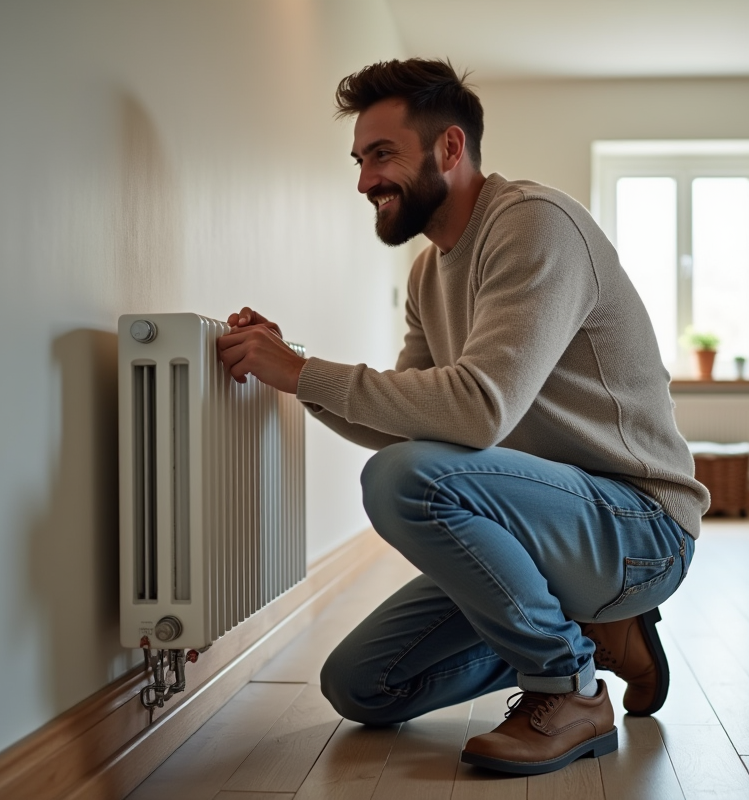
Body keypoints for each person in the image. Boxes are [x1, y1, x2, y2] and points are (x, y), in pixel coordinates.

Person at [216, 58, 708, 776]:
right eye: (359, 160)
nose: (364, 181)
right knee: (360, 686)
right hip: (546, 531)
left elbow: (477, 411)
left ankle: (569, 688)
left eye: (382, 154)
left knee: (402, 479)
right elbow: (409, 423)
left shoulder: (535, 224)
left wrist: (303, 371)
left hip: (641, 527)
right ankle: (599, 631)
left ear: (450, 147)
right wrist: (294, 377)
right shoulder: (429, 271)